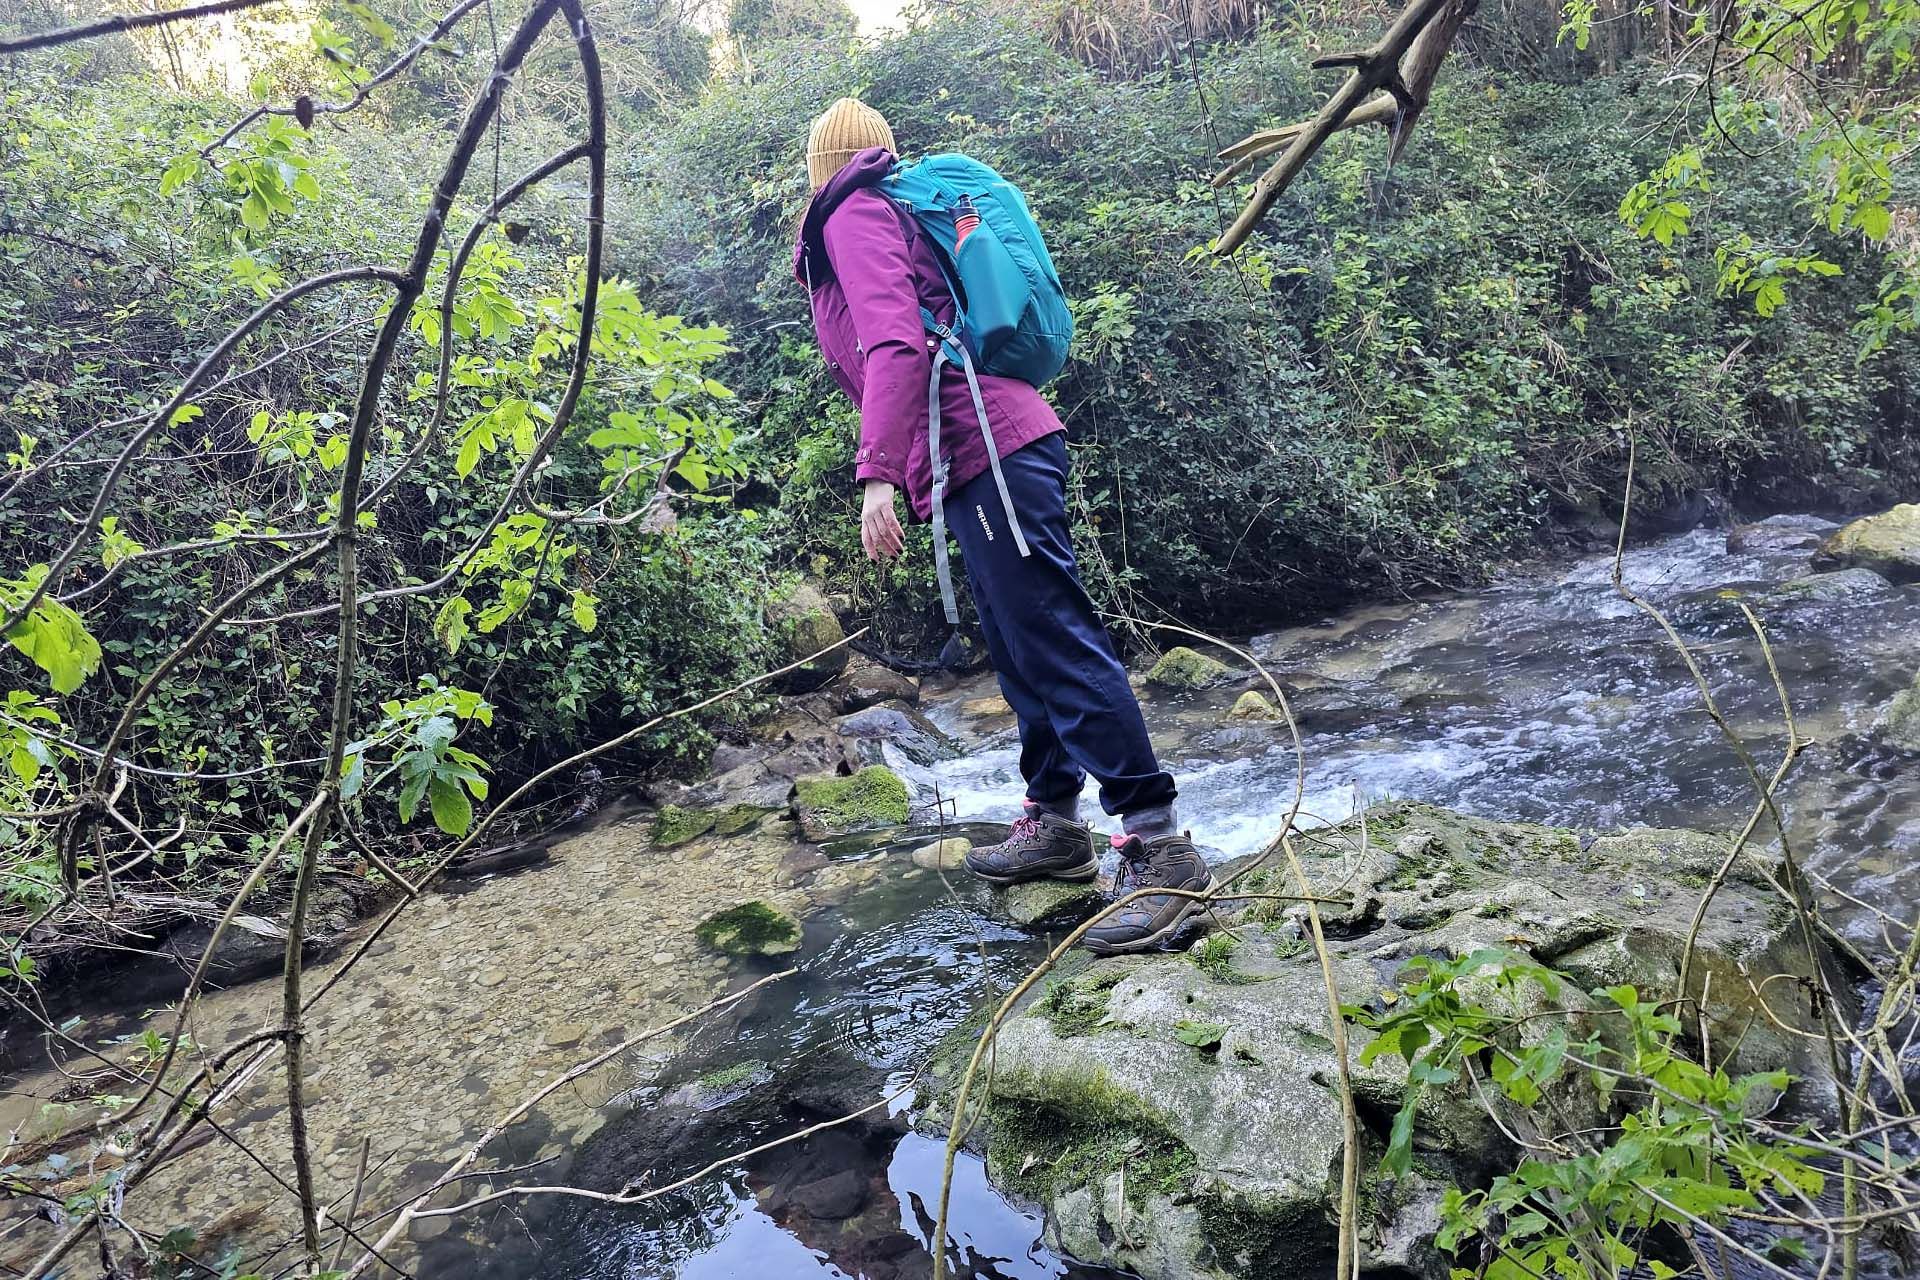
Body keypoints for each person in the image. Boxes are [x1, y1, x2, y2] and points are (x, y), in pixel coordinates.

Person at [792, 97, 1210, 954]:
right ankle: (1056, 822)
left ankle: (1160, 844)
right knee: (1020, 647)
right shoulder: (891, 208)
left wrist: (875, 474)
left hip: (990, 446)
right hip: (976, 456)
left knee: (1053, 638)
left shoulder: (854, 211)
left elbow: (896, 346)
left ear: (821, 164)